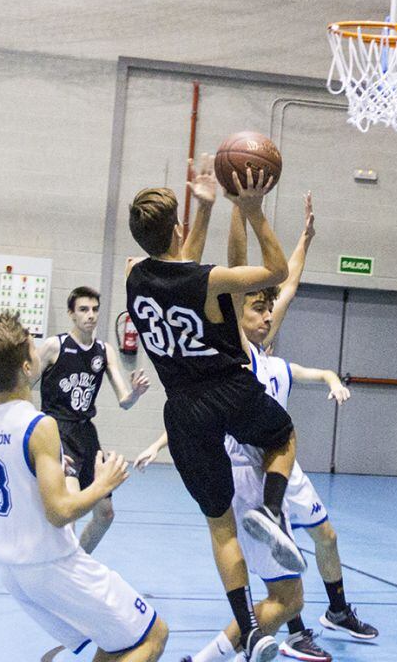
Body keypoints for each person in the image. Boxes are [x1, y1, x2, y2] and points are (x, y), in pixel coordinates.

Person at [136, 194, 377, 662]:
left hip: (276, 467)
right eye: (256, 309)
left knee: (322, 538)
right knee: (286, 595)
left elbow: (288, 282)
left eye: (269, 311)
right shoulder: (233, 341)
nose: (267, 316)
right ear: (236, 310)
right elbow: (242, 265)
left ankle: (330, 611)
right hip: (246, 467)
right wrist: (240, 209)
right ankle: (261, 638)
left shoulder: (271, 355)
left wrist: (305, 237)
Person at [126, 154, 304, 662]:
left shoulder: (135, 278)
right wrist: (252, 208)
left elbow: (180, 268)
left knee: (220, 524)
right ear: (176, 226)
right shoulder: (207, 282)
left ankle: (248, 629)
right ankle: (271, 508)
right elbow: (277, 269)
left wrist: (202, 210)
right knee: (282, 436)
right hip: (227, 388)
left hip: (181, 410)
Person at [0, 312, 168, 662]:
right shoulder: (39, 425)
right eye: (32, 348)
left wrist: (27, 485)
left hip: (12, 572)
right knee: (154, 636)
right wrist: (102, 484)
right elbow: (59, 512)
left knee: (114, 644)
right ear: (26, 367)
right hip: (53, 565)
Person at [39, 285, 150, 553]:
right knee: (72, 508)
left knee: (105, 514)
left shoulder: (104, 351)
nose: (90, 315)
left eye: (95, 309)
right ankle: (64, 568)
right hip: (57, 431)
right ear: (71, 314)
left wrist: (135, 393)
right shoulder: (55, 346)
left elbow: (124, 401)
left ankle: (78, 560)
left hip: (87, 435)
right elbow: (22, 385)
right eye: (83, 310)